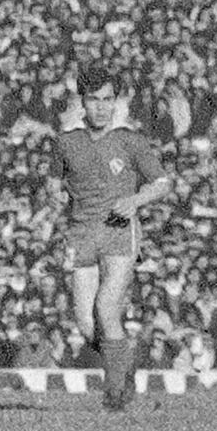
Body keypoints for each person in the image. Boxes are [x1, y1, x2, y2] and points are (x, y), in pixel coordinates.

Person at [47, 62, 174, 411]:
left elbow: (163, 183)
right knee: (86, 324)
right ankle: (124, 367)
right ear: (82, 102)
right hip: (81, 232)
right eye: (93, 99)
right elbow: (54, 183)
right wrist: (54, 196)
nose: (101, 107)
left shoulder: (130, 141)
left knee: (106, 307)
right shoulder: (66, 143)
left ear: (115, 102)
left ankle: (114, 397)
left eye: (107, 100)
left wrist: (135, 200)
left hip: (118, 231)